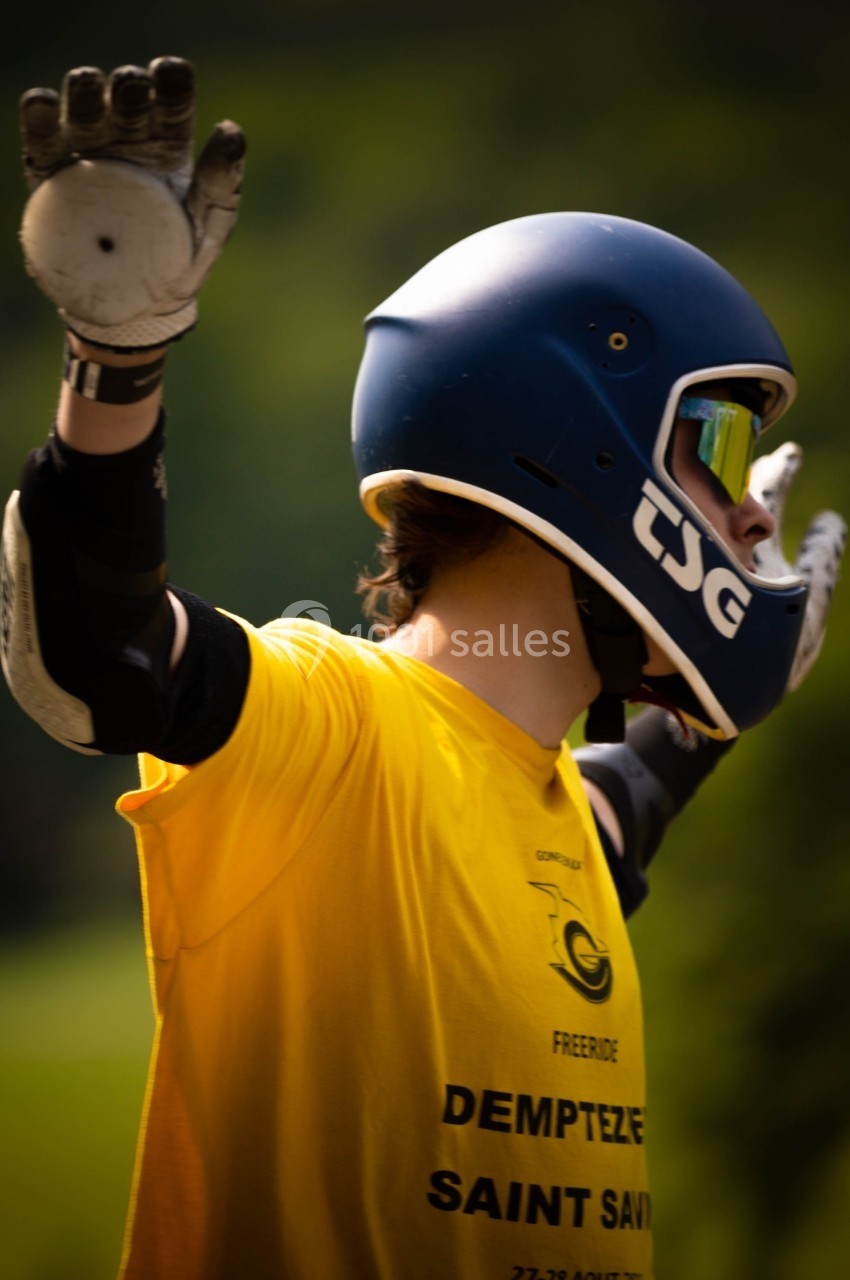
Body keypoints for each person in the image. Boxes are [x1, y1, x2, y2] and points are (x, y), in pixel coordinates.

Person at [2, 56, 845, 1280]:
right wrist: (115, 367)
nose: (753, 519)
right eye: (714, 442)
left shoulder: (559, 810)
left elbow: (631, 800)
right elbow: (98, 651)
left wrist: (723, 690)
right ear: (575, 441)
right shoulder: (340, 727)